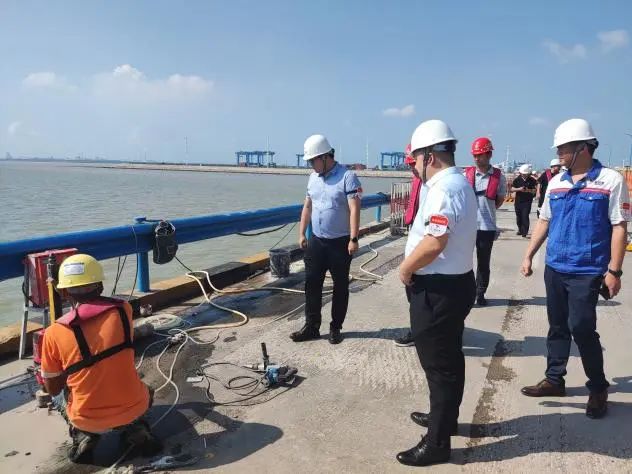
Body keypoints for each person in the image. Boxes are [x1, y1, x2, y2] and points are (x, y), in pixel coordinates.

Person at [520, 118, 629, 419]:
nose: (558, 154)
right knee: (557, 326)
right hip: (555, 266)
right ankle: (554, 380)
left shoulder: (610, 181)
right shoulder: (556, 182)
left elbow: (619, 227)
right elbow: (545, 220)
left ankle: (598, 388)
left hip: (587, 270)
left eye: (563, 148)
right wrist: (529, 255)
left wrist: (614, 271)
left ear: (582, 147)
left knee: (581, 328)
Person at [396, 120, 477, 466]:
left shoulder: (444, 189)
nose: (414, 166)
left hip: (438, 290)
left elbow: (434, 242)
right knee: (450, 358)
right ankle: (445, 418)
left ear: (428, 156)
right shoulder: (458, 184)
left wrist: (405, 268)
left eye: (415, 159)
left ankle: (437, 443)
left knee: (439, 367)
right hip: (455, 284)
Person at [41, 254, 160, 463]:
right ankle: (135, 428)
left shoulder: (53, 333)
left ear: (64, 292)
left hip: (88, 419)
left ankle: (83, 434)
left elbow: (53, 389)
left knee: (57, 395)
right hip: (135, 407)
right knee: (144, 387)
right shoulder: (123, 310)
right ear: (101, 286)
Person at [290, 134, 362, 345]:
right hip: (317, 241)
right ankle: (311, 326)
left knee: (340, 287)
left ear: (324, 157)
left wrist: (354, 238)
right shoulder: (313, 178)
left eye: (312, 161)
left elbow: (354, 208)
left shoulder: (347, 177)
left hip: (340, 242)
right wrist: (302, 233)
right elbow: (307, 206)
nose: (311, 165)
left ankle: (335, 327)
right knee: (312, 284)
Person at [464, 137, 507, 306]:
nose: (476, 158)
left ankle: (480, 293)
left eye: (480, 155)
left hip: (487, 227)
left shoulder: (499, 177)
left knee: (483, 263)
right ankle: (466, 293)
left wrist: (486, 209)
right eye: (474, 155)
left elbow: (500, 200)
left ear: (489, 155)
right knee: (463, 261)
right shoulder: (466, 175)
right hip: (467, 226)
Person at [394, 143, 422, 347]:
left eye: (413, 164)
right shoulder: (418, 180)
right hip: (416, 236)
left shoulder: (436, 186)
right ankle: (418, 329)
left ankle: (420, 332)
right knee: (413, 292)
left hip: (427, 244)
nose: (412, 168)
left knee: (419, 291)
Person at [511, 164, 537, 237]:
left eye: (526, 174)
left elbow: (535, 190)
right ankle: (520, 229)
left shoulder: (532, 180)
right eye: (523, 174)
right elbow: (512, 189)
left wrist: (528, 190)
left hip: (527, 201)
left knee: (525, 216)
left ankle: (524, 232)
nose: (524, 175)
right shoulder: (517, 180)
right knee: (519, 217)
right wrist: (519, 189)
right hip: (518, 201)